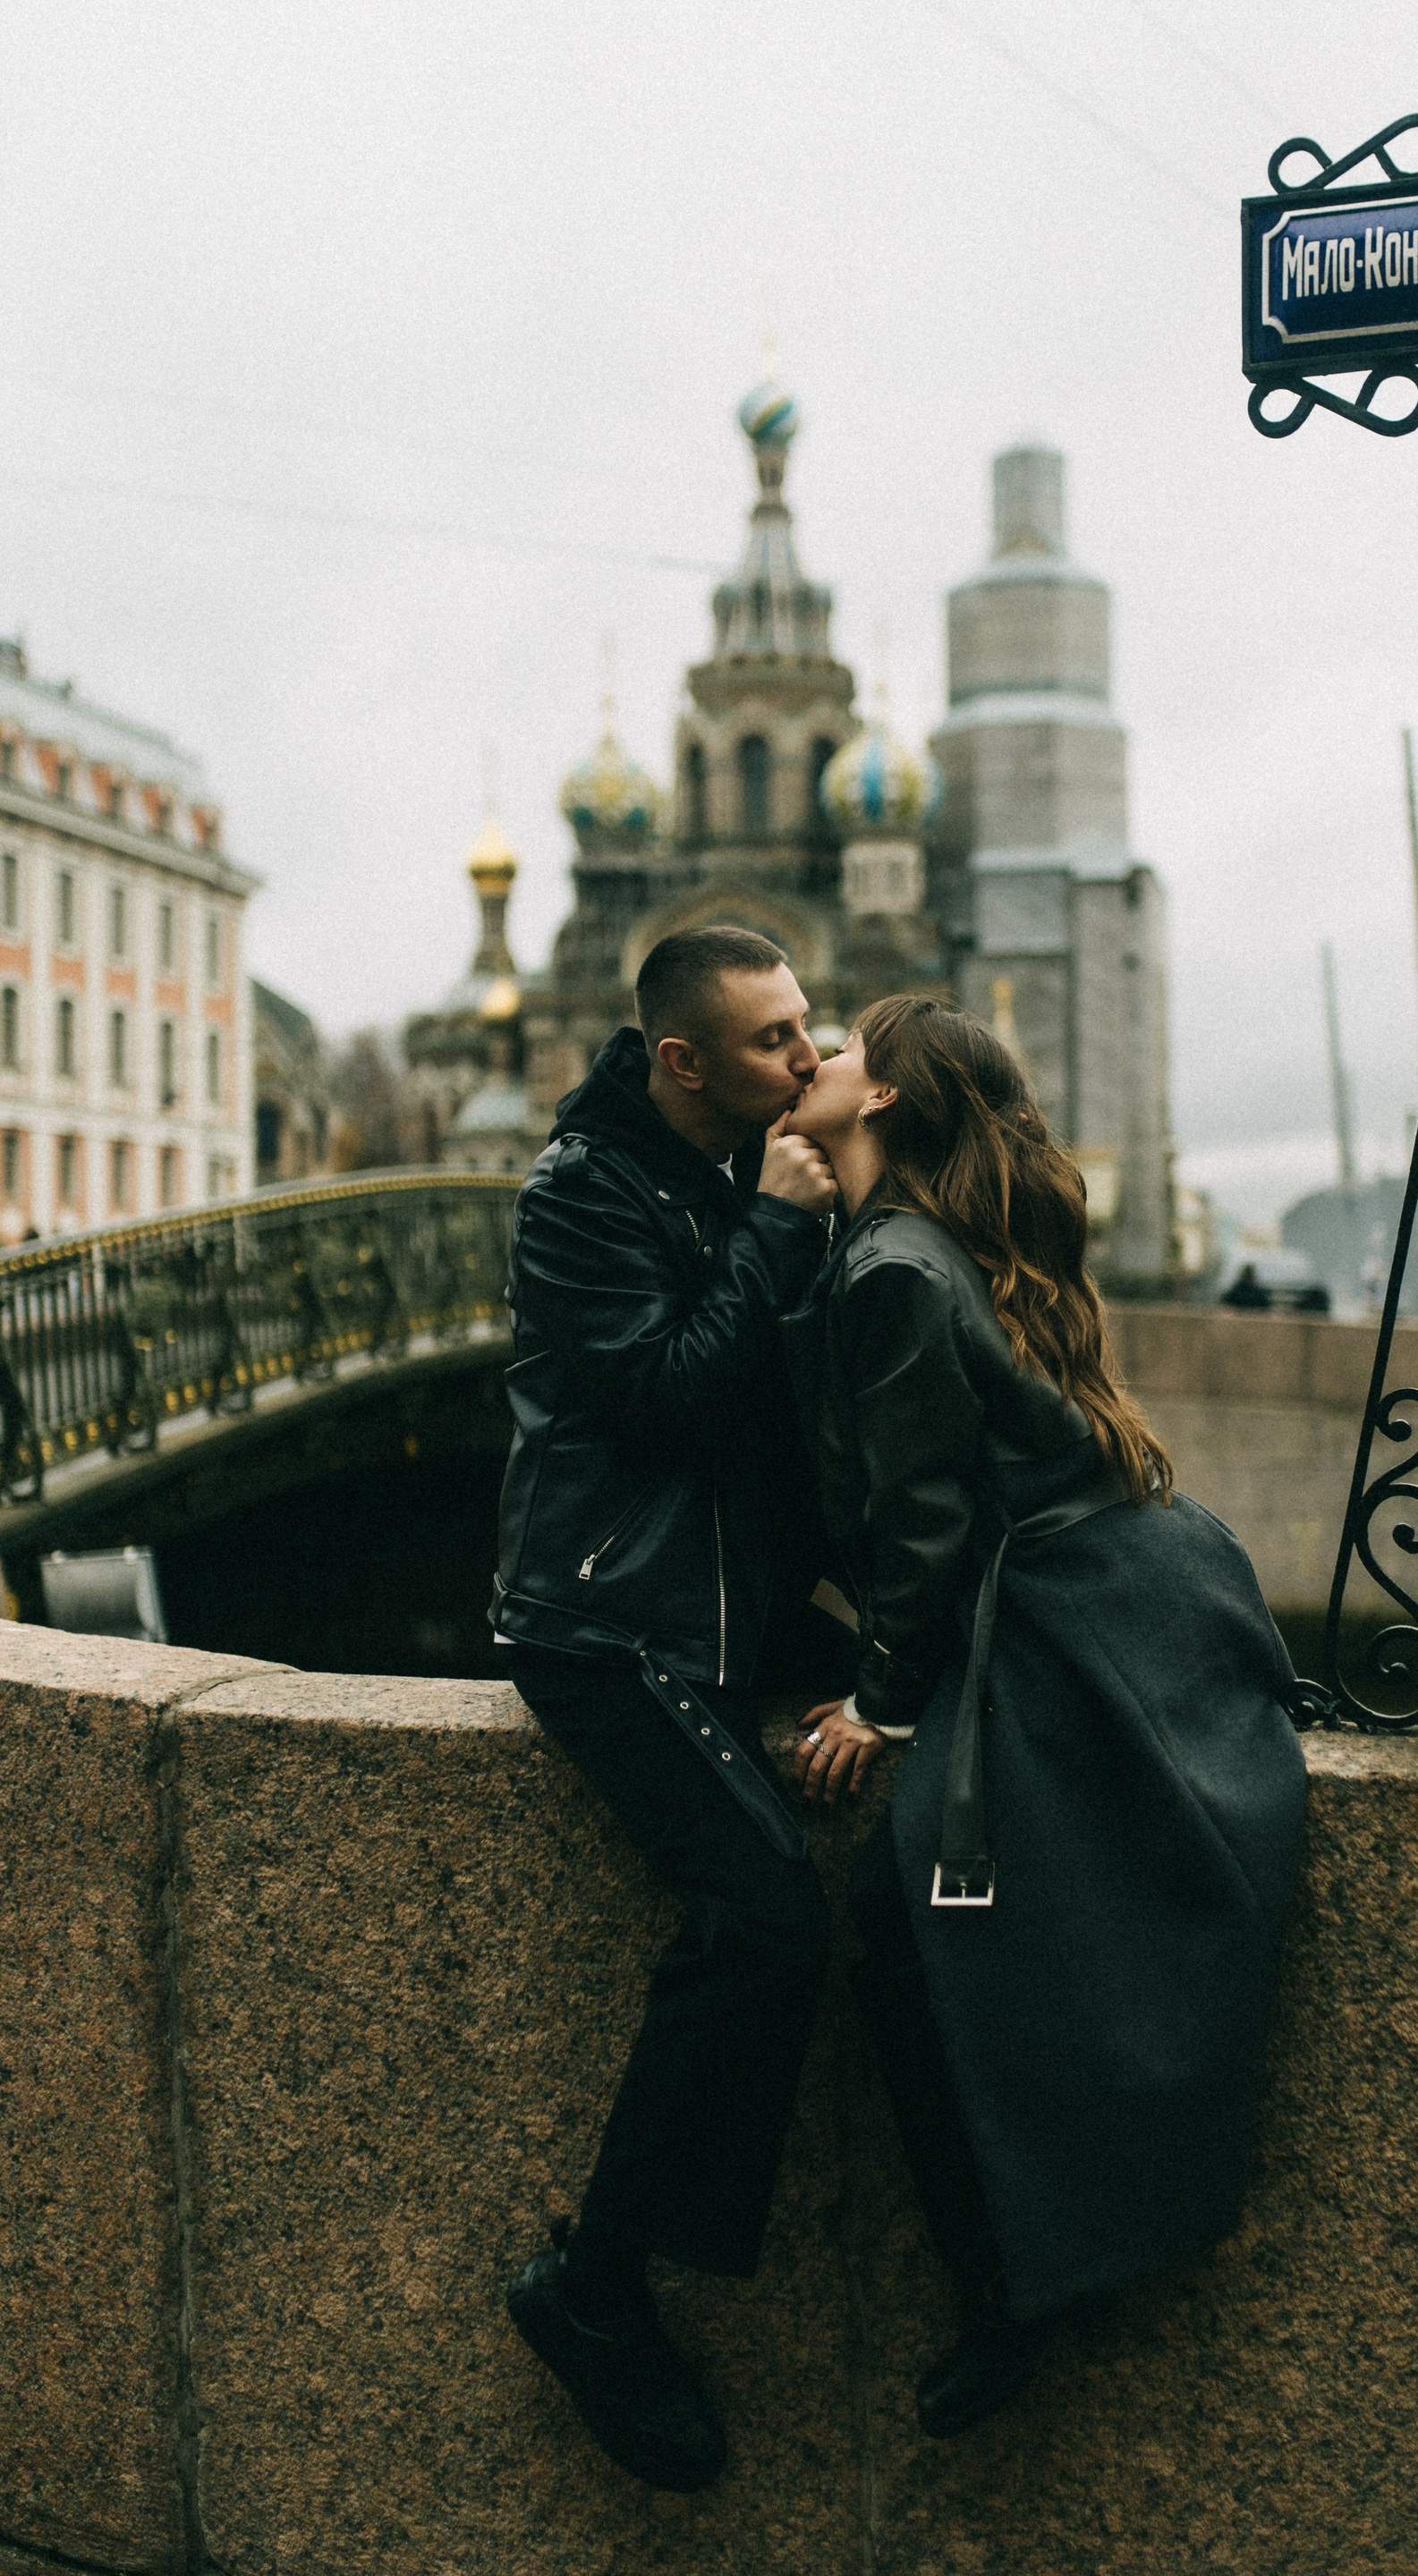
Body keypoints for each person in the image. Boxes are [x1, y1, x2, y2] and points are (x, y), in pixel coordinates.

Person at [779, 996, 1307, 2438]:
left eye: (842, 1046)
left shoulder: (893, 1267)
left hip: (1070, 1617)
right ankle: (1055, 2248)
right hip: (1141, 1591)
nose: (816, 1057)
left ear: (883, 1101)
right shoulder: (929, 1241)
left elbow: (926, 1520)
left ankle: (1013, 2278)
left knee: (906, 1924)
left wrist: (882, 1703)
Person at [491, 926, 840, 2493]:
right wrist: (777, 1230)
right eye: (775, 1041)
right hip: (606, 1618)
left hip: (724, 1601)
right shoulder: (581, 1195)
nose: (807, 1059)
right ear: (683, 1062)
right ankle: (596, 2285)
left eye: (808, 1028)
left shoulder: (734, 1163)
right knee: (764, 1918)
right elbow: (672, 1405)